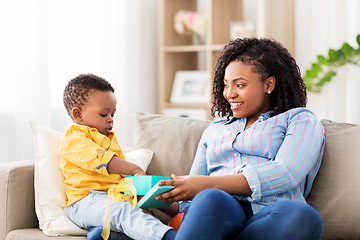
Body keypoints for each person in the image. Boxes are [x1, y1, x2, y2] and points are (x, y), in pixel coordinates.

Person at [157, 38, 325, 240]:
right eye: (226, 85)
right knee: (210, 199)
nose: (229, 94)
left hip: (270, 216)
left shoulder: (299, 119)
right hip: (219, 211)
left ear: (269, 84)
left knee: (304, 217)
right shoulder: (214, 130)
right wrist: (161, 198)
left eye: (240, 85)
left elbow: (287, 172)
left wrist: (206, 184)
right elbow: (189, 204)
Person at [59, 74, 176, 240]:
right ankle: (172, 237)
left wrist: (139, 196)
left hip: (112, 198)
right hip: (84, 202)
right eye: (104, 114)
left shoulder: (109, 139)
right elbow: (100, 160)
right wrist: (135, 169)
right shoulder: (74, 137)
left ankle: (105, 234)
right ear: (78, 115)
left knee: (138, 214)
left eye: (112, 114)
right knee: (122, 211)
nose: (110, 120)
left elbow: (121, 177)